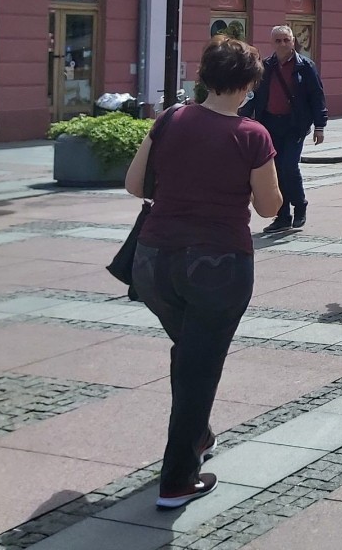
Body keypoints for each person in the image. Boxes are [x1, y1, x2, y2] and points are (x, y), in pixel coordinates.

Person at [126, 37, 282, 510]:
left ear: (206, 75)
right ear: (249, 84)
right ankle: (176, 480)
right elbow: (269, 205)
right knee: (199, 365)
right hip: (218, 264)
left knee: (190, 352)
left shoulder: (169, 119)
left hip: (154, 260)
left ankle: (197, 433)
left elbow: (134, 184)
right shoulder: (252, 134)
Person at [242, 25, 326, 234]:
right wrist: (241, 118)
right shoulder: (266, 66)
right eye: (278, 40)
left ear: (293, 41)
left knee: (289, 166)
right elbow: (255, 95)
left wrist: (320, 125)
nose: (282, 44)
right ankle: (282, 216)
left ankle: (300, 205)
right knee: (275, 171)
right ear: (272, 43)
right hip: (269, 124)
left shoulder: (305, 66)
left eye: (286, 40)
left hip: (294, 124)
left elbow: (317, 96)